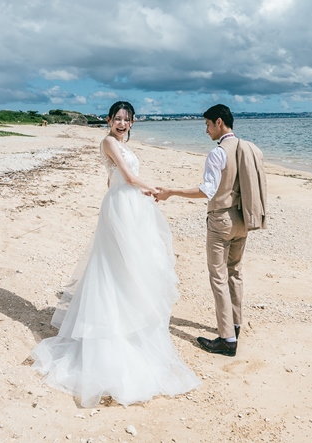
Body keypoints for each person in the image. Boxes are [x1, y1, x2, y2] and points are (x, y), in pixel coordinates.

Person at [30, 101, 200, 406]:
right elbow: (129, 178)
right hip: (123, 205)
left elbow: (113, 180)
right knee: (116, 268)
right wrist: (159, 189)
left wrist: (137, 195)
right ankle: (112, 338)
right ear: (109, 120)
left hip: (129, 206)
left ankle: (130, 331)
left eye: (126, 119)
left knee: (131, 269)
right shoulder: (109, 141)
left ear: (133, 123)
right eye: (117, 118)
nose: (121, 123)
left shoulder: (121, 144)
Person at [155, 104, 265, 358]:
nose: (206, 130)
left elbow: (207, 190)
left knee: (218, 278)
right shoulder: (249, 148)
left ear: (219, 122)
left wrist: (172, 192)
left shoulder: (218, 153)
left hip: (221, 221)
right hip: (243, 218)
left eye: (207, 124)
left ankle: (226, 339)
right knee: (235, 272)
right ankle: (235, 325)